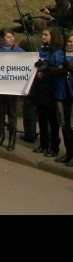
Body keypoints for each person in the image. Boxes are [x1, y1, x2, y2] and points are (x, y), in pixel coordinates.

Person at [0, 27, 25, 151]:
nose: (12, 39)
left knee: (12, 114)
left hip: (12, 88)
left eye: (12, 36)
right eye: (9, 37)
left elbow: (26, 65)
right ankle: (1, 136)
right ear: (1, 38)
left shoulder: (19, 51)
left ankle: (12, 140)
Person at [32, 28, 64, 158]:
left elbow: (56, 70)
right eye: (43, 34)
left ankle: (54, 146)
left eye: (46, 35)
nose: (43, 37)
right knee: (42, 118)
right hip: (39, 88)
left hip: (51, 89)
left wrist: (45, 72)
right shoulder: (40, 50)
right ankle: (44, 143)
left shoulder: (57, 52)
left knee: (53, 119)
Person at [18, 17, 47, 143]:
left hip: (29, 76)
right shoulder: (49, 40)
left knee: (29, 105)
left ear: (33, 27)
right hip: (45, 77)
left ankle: (30, 133)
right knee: (44, 108)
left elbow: (18, 55)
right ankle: (47, 136)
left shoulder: (27, 40)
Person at [57, 34, 73, 166]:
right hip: (61, 94)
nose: (71, 44)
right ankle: (68, 153)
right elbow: (50, 69)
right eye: (69, 41)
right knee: (64, 125)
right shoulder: (59, 54)